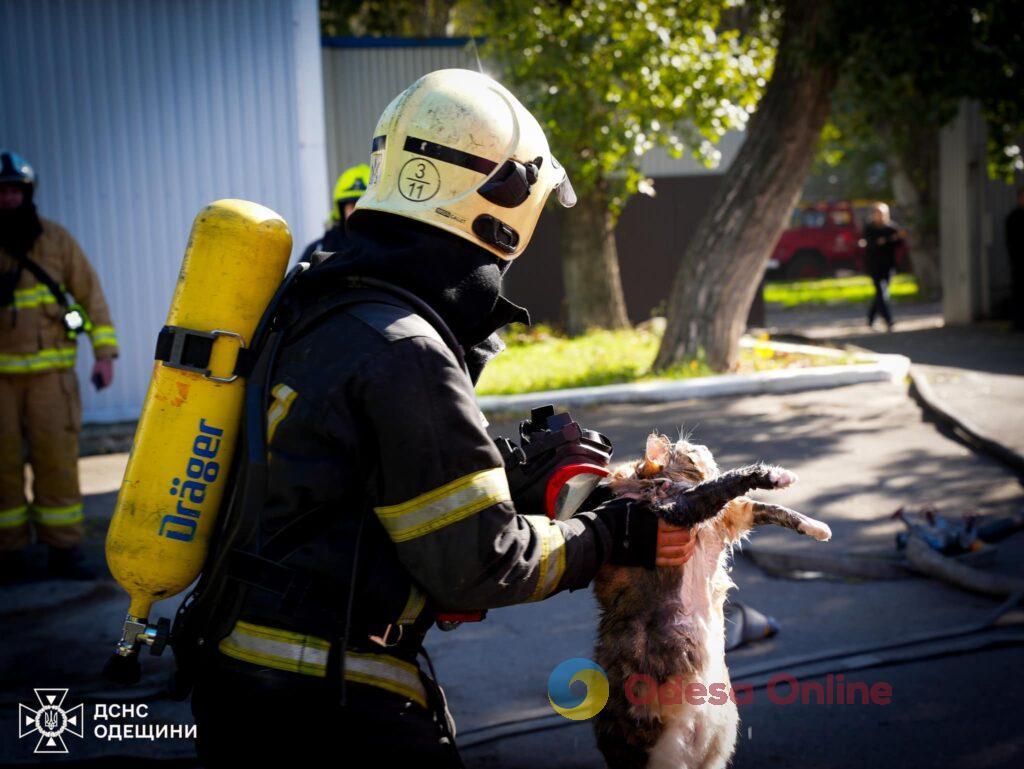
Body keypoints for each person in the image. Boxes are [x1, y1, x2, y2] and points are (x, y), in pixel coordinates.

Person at [184, 70, 699, 768]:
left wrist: (497, 472)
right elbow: (481, 565)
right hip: (334, 707)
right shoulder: (407, 350)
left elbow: (337, 477)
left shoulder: (317, 303)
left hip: (241, 676)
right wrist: (607, 534)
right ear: (502, 197)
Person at [0, 150, 118, 580]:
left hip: (51, 379)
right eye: (2, 192)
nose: (9, 199)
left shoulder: (55, 240)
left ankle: (64, 550)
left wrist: (104, 355)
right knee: (2, 468)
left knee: (58, 462)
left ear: (27, 193)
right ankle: (8, 554)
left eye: (16, 190)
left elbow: (91, 297)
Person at [299, 163, 371, 263]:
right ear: (341, 210)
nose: (356, 211)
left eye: (363, 205)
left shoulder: (390, 249)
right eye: (352, 205)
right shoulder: (318, 250)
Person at [862, 202, 904, 331]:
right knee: (881, 292)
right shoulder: (869, 228)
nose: (879, 216)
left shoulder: (891, 227)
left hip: (888, 266)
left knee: (882, 293)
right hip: (874, 265)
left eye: (882, 213)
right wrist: (885, 240)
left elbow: (899, 241)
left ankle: (870, 319)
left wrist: (887, 240)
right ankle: (889, 320)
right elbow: (870, 244)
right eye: (877, 213)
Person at [1005, 188, 1024, 331]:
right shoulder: (1013, 217)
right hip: (1018, 262)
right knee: (1018, 293)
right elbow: (1010, 241)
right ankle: (1017, 323)